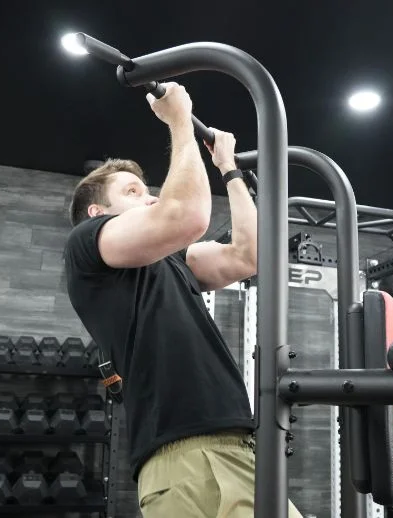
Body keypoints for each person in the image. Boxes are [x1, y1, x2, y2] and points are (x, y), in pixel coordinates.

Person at [64, 82, 304, 517]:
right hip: (180, 460)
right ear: (98, 214)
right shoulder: (86, 246)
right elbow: (186, 216)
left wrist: (228, 169)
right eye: (133, 191)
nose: (150, 194)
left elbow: (251, 255)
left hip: (241, 446)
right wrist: (179, 120)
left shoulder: (174, 260)